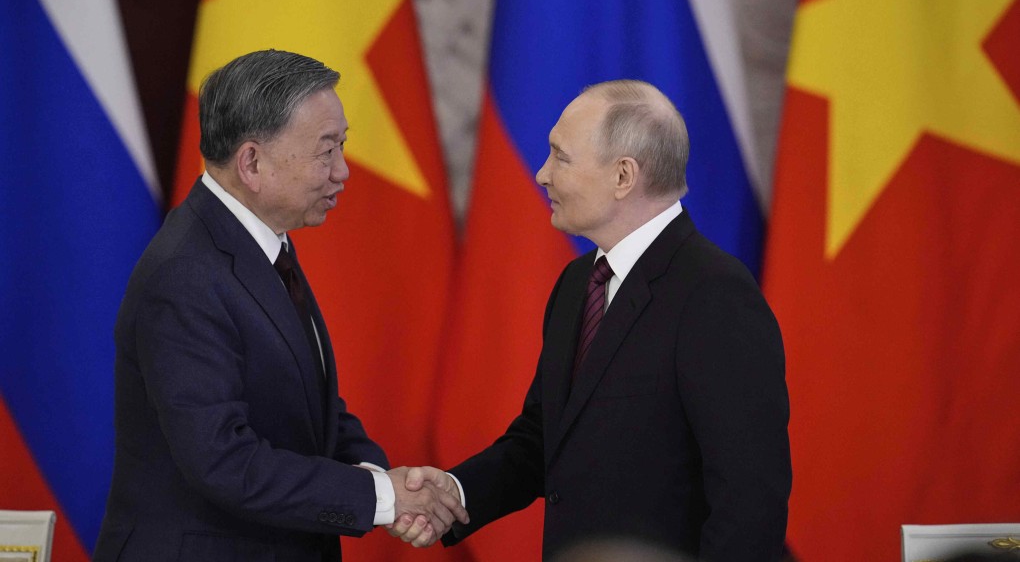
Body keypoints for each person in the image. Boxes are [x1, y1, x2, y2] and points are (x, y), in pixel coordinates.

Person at [392, 80, 791, 560]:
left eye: (560, 157)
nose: (541, 175)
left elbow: (750, 500)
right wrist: (455, 494)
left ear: (623, 176)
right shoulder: (579, 282)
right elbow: (544, 438)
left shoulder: (714, 294)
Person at [93, 50, 467, 561]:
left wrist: (384, 483)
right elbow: (223, 459)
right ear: (252, 162)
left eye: (342, 146)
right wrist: (384, 498)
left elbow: (307, 406)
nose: (343, 171)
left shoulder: (260, 243)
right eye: (325, 150)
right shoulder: (186, 274)